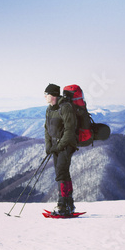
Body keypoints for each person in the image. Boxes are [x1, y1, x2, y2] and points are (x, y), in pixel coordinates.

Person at [44, 83, 78, 215]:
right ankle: (69, 203)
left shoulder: (65, 108)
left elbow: (70, 130)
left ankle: (62, 205)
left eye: (46, 94)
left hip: (66, 145)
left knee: (61, 173)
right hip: (55, 147)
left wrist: (58, 146)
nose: (45, 97)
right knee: (63, 173)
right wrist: (48, 146)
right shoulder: (49, 109)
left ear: (53, 95)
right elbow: (47, 129)